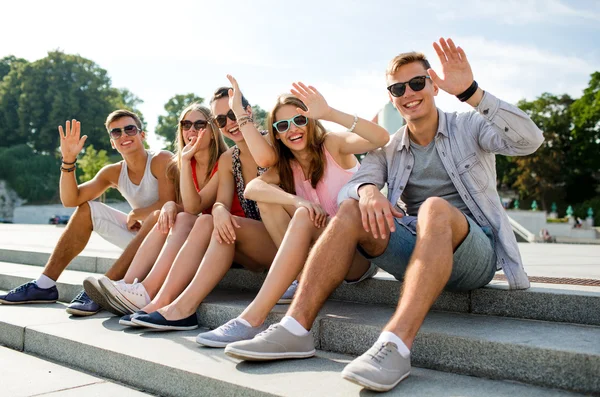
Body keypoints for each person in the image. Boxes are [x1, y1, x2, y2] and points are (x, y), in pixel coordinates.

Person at [222, 38, 544, 392]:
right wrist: (368, 191)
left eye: (417, 83)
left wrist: (470, 91)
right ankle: (295, 329)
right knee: (350, 209)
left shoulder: (469, 125)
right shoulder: (392, 147)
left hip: (474, 253)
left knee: (435, 208)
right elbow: (359, 180)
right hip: (419, 250)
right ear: (391, 96)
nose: (408, 92)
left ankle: (395, 344)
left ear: (434, 86)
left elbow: (530, 141)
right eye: (397, 88)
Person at [195, 84, 389, 347]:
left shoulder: (332, 145)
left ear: (309, 121)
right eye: (282, 125)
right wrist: (296, 199)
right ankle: (296, 279)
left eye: (299, 120)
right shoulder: (287, 165)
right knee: (271, 203)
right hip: (325, 254)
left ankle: (250, 319)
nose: (292, 129)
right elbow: (253, 188)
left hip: (359, 255)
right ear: (276, 133)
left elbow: (381, 138)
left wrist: (330, 113)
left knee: (300, 216)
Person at [121, 76, 278, 330]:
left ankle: (175, 305)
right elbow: (213, 204)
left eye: (234, 114)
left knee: (204, 220)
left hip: (281, 242)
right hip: (247, 245)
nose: (229, 123)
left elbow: (267, 163)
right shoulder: (229, 158)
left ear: (247, 111)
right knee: (205, 219)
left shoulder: (272, 141)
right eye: (222, 119)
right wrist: (217, 210)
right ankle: (164, 302)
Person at [0, 110, 176, 315]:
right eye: (116, 133)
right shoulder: (113, 172)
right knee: (86, 209)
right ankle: (44, 284)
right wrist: (68, 160)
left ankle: (101, 289)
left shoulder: (162, 159)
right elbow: (71, 199)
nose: (124, 136)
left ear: (142, 135)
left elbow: (168, 202)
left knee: (153, 218)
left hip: (173, 241)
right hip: (143, 240)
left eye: (130, 129)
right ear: (112, 142)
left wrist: (136, 213)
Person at [83, 104, 228, 315]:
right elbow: (187, 206)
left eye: (199, 124)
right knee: (169, 216)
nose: (192, 130)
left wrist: (183, 169)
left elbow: (196, 206)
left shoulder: (222, 161)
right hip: (200, 231)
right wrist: (170, 204)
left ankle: (144, 290)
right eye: (186, 125)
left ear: (213, 131)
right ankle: (128, 285)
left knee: (185, 218)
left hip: (222, 234)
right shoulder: (183, 163)